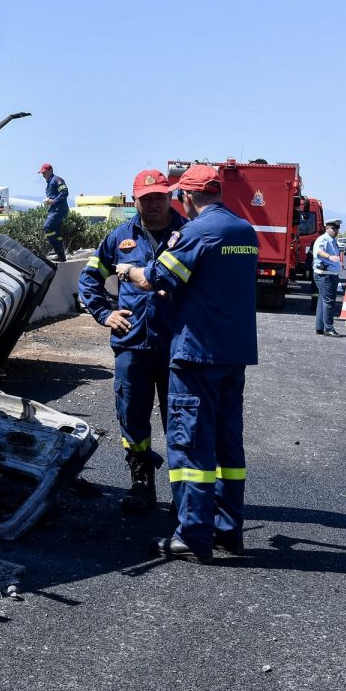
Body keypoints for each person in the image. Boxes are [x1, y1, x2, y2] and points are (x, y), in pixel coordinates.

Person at [115, 165, 259, 564]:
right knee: (228, 446)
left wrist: (128, 270)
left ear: (189, 198)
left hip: (197, 355)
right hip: (234, 354)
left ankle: (192, 534)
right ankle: (229, 531)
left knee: (190, 444)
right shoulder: (244, 232)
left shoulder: (196, 233)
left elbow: (155, 278)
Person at [78, 170, 186, 512]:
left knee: (181, 422)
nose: (153, 204)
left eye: (159, 197)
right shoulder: (119, 238)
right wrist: (104, 313)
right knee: (132, 415)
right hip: (132, 343)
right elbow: (90, 277)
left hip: (179, 346)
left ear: (170, 198)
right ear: (134, 200)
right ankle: (141, 485)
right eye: (146, 198)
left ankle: (184, 494)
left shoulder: (188, 234)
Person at [312, 219, 343, 337]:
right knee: (328, 302)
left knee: (322, 301)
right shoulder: (323, 239)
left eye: (337, 229)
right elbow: (319, 251)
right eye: (334, 229)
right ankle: (328, 328)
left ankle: (320, 327)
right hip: (325, 275)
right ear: (327, 228)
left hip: (330, 274)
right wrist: (329, 257)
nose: (336, 231)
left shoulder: (333, 241)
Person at [39, 163, 69, 262]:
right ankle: (60, 254)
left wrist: (53, 201)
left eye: (45, 172)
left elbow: (64, 192)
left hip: (59, 209)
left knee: (47, 227)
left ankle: (58, 252)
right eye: (42, 173)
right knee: (56, 232)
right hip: (54, 210)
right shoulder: (49, 182)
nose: (43, 175)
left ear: (50, 171)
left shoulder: (57, 180)